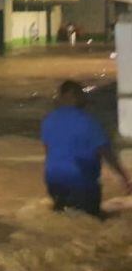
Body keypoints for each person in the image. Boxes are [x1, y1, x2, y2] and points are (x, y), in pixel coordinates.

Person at [41, 80, 132, 217]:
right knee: (98, 219)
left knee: (64, 213)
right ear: (70, 95)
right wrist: (124, 177)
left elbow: (49, 153)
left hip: (53, 182)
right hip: (81, 183)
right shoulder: (88, 121)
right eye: (81, 94)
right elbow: (107, 153)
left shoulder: (48, 120)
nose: (84, 98)